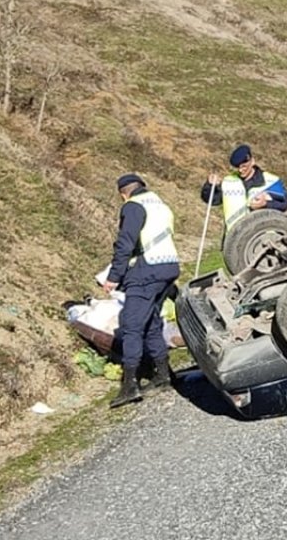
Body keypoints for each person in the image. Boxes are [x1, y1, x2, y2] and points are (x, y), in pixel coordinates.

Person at [103, 174, 180, 409]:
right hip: (170, 266)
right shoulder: (159, 203)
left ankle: (130, 385)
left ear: (123, 193)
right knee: (151, 322)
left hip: (147, 270)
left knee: (132, 325)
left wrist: (113, 277)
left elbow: (126, 242)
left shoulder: (133, 207)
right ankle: (164, 375)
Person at [200, 144, 287, 233]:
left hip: (265, 241)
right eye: (238, 167)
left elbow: (284, 204)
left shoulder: (271, 181)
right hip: (235, 239)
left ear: (252, 161)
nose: (240, 170)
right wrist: (209, 185)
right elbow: (210, 199)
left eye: (244, 166)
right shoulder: (229, 182)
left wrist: (266, 204)